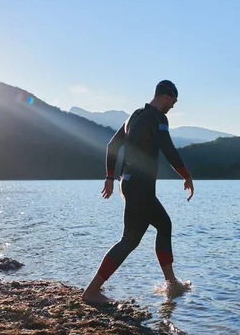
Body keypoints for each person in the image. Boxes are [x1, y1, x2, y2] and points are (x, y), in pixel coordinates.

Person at [81, 79, 194, 303]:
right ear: (167, 96)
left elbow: (112, 146)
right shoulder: (158, 118)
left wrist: (110, 177)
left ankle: (171, 284)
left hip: (128, 183)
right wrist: (186, 175)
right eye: (174, 102)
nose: (173, 107)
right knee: (146, 232)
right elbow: (169, 149)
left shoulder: (133, 117)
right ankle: (170, 284)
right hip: (140, 186)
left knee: (138, 236)